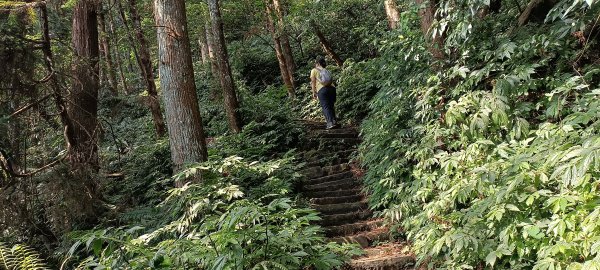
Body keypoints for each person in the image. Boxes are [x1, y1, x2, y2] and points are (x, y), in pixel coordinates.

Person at [310, 57, 338, 129]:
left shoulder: (314, 70)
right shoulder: (326, 70)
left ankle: (330, 123)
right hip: (332, 89)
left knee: (325, 106)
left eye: (316, 63)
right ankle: (334, 121)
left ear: (318, 63)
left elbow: (313, 82)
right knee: (331, 105)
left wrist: (314, 92)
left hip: (322, 89)